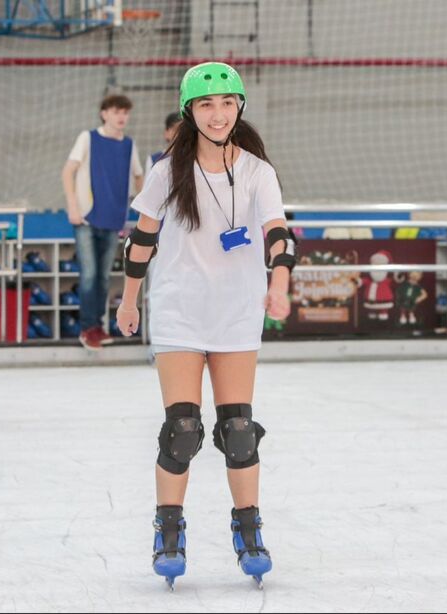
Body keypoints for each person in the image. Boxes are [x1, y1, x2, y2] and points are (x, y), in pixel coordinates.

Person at [115, 62, 295, 588]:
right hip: (179, 312)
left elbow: (279, 235)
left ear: (239, 106)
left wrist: (279, 285)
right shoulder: (169, 169)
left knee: (239, 432)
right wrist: (130, 302)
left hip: (237, 314)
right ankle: (168, 530)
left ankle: (249, 529)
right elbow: (141, 243)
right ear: (190, 111)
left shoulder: (259, 171)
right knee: (183, 430)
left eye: (226, 103)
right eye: (205, 105)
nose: (217, 114)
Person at [61, 94, 144, 350]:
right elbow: (68, 171)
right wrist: (72, 206)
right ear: (104, 113)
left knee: (104, 278)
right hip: (86, 217)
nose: (122, 117)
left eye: (125, 112)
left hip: (113, 220)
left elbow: (139, 176)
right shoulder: (88, 138)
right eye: (117, 111)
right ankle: (88, 329)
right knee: (89, 275)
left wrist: (139, 205)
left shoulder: (129, 145)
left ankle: (98, 326)